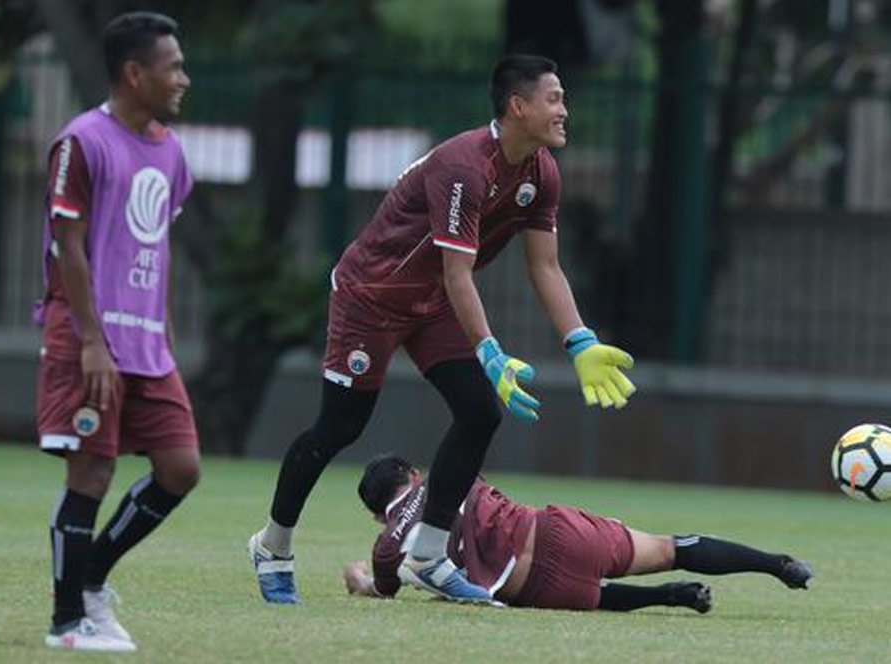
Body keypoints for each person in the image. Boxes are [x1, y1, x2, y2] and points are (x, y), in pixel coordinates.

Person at [249, 54, 637, 605]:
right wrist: (489, 348)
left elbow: (544, 266)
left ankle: (427, 556)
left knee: (481, 412)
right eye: (554, 99)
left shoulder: (541, 171)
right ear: (518, 106)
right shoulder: (464, 166)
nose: (564, 111)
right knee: (340, 427)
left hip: (430, 304)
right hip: (371, 297)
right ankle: (273, 545)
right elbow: (458, 272)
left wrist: (580, 341)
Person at [34, 11, 198, 652]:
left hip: (146, 343)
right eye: (173, 66)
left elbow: (155, 244)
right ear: (135, 74)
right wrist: (91, 340)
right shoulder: (82, 142)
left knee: (180, 468)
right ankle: (67, 621)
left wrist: (164, 328)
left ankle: (94, 578)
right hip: (90, 338)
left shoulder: (172, 151)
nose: (184, 78)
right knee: (91, 475)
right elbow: (68, 249)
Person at [343, 455, 813, 612]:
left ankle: (666, 598)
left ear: (376, 515)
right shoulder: (452, 470)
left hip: (529, 588)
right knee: (673, 548)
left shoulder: (387, 547)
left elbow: (381, 590)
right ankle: (777, 564)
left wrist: (359, 577)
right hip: (553, 532)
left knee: (595, 595)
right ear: (413, 472)